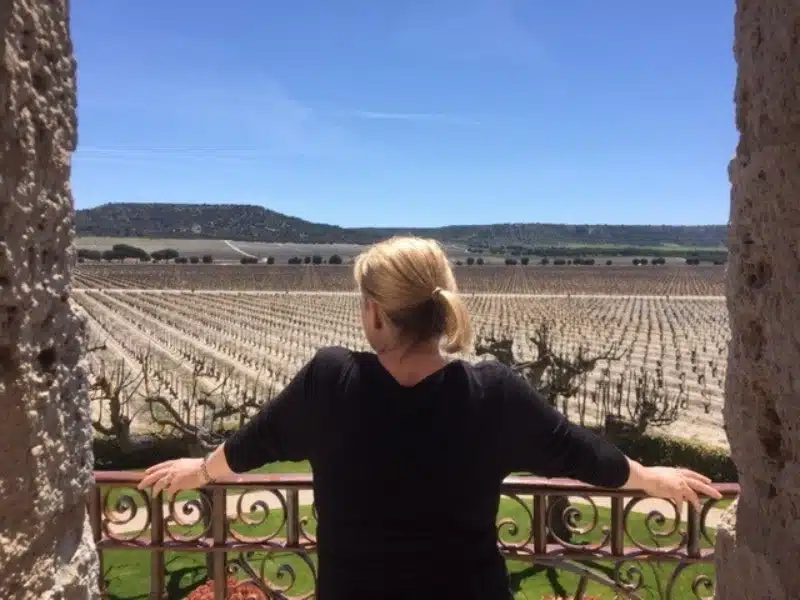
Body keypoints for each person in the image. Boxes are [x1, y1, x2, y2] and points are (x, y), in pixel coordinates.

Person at [139, 236, 721, 599]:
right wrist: (650, 478)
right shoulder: (493, 393)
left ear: (374, 312)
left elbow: (254, 443)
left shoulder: (330, 379)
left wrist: (201, 471)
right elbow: (580, 451)